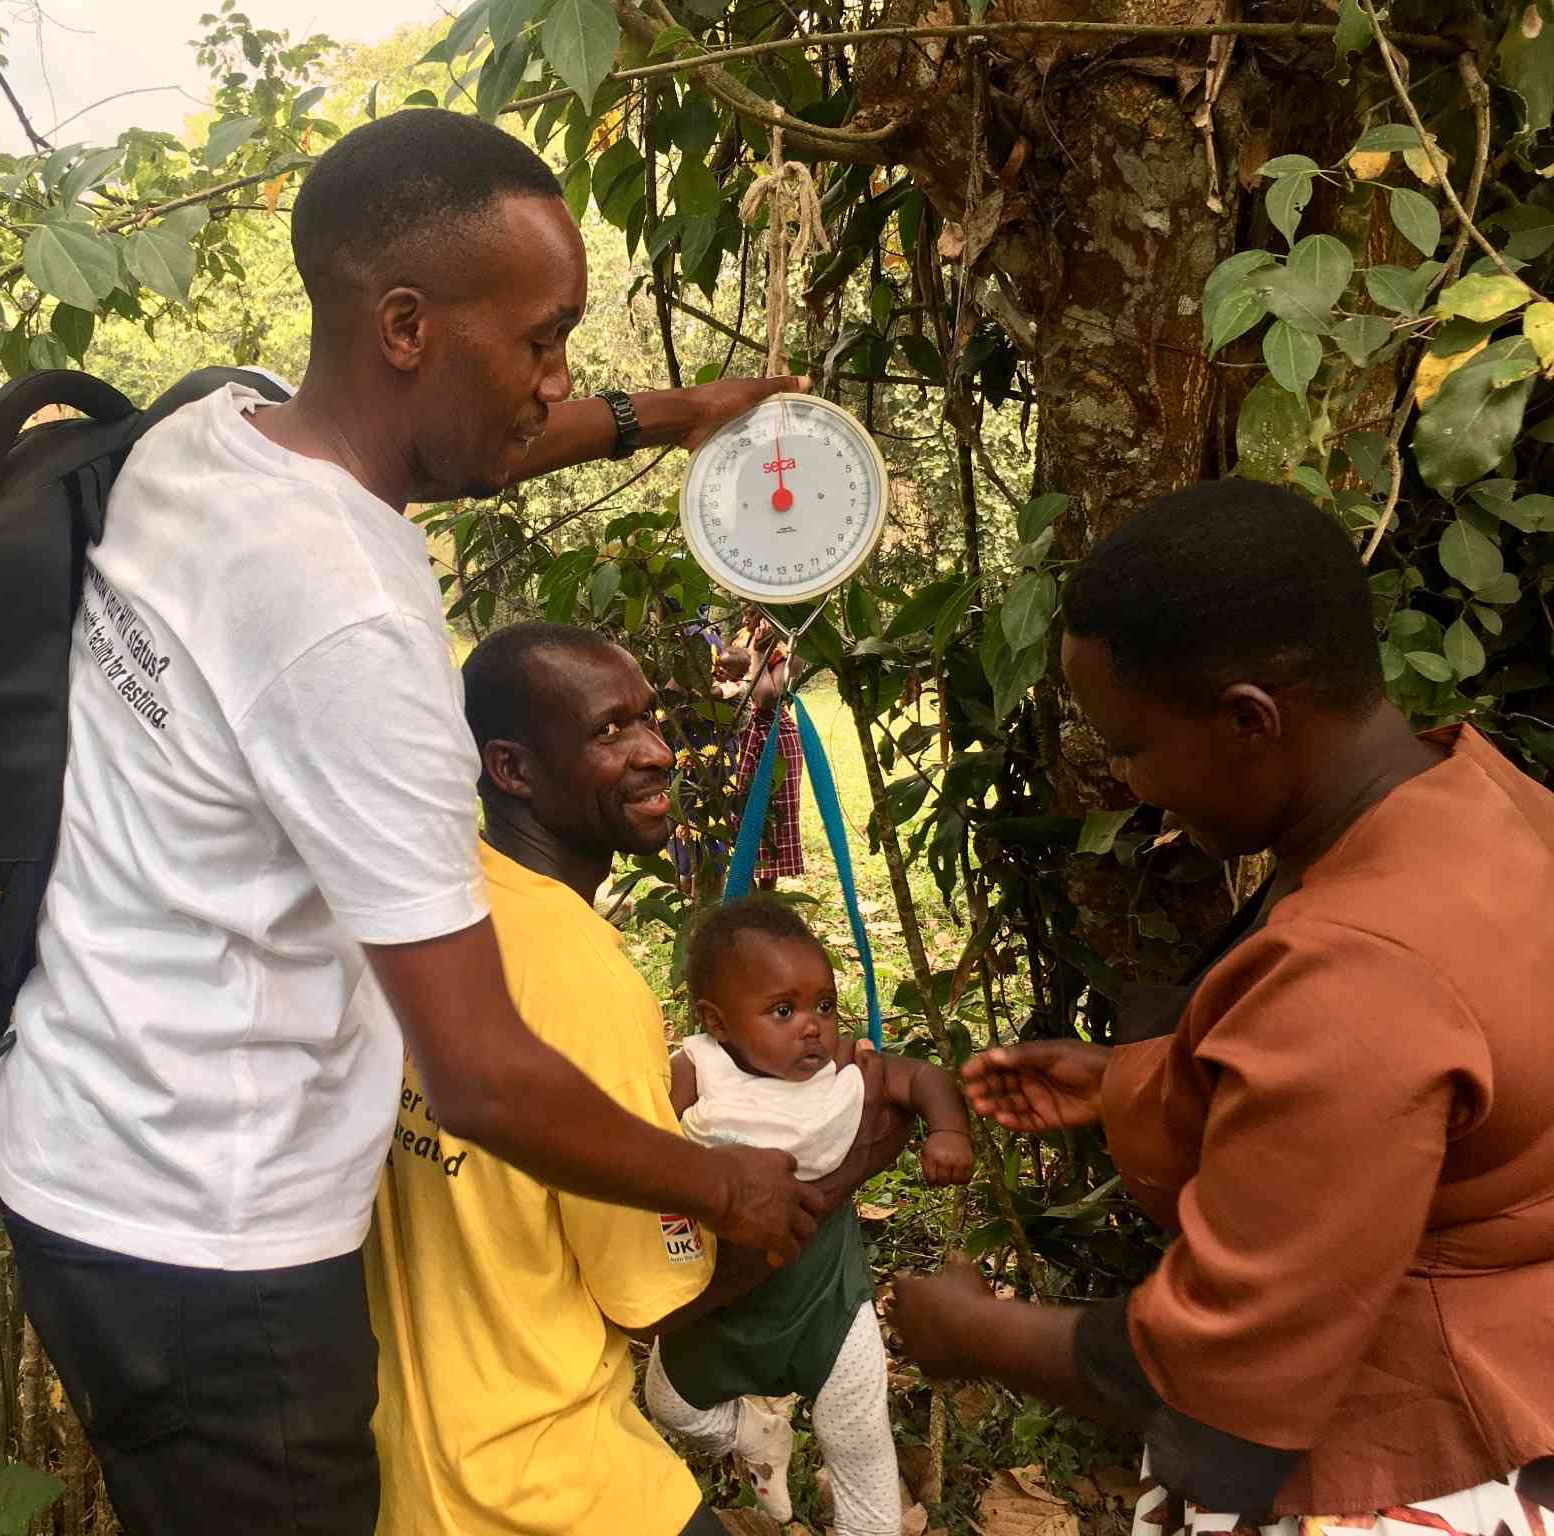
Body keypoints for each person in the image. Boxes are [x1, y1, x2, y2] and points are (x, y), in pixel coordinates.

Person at [0, 109, 825, 1533]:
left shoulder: (212, 437)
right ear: (409, 325)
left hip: (78, 1136)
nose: (556, 379)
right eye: (542, 343)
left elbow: (460, 451)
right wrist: (721, 1184)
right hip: (213, 1239)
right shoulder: (351, 626)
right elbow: (485, 1079)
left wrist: (669, 417)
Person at [887, 482, 1554, 1536]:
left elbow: (1225, 1368)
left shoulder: (1351, 968)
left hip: (1417, 1448)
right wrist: (1133, 1080)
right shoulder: (1482, 796)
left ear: (1249, 720)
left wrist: (970, 1333)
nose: (1123, 783)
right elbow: (1425, 1100)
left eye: (1129, 747)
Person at [368, 623, 914, 1536]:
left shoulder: (433, 905)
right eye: (608, 731)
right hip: (542, 1481)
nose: (657, 750)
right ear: (510, 769)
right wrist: (848, 1164)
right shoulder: (582, 980)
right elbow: (660, 1299)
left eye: (651, 721)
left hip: (403, 1462)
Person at [647, 899, 974, 1533]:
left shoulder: (845, 1067)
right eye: (782, 1011)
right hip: (718, 1301)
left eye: (823, 1005)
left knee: (856, 1434)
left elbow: (923, 1077)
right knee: (670, 1402)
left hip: (827, 1304)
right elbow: (642, 1135)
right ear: (716, 1021)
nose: (813, 1027)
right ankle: (755, 1433)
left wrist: (950, 1132)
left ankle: (869, 1525)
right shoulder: (696, 1071)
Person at [734, 612, 806, 889]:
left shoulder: (791, 649)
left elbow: (764, 697)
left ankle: (765, 895)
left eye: (753, 609)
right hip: (744, 735)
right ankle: (745, 890)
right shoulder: (743, 636)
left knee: (770, 817)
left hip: (774, 739)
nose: (746, 615)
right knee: (740, 813)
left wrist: (758, 654)